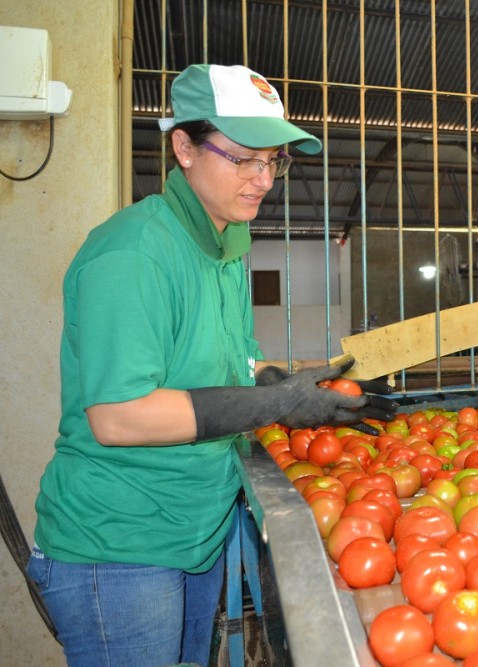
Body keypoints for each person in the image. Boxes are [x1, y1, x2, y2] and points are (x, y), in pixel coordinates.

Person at [30, 64, 397, 667]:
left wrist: (282, 386)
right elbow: (119, 417)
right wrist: (275, 404)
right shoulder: (134, 254)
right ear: (183, 147)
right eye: (243, 158)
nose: (264, 180)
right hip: (121, 548)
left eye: (273, 161)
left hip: (196, 532)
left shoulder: (225, 246)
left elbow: (214, 372)